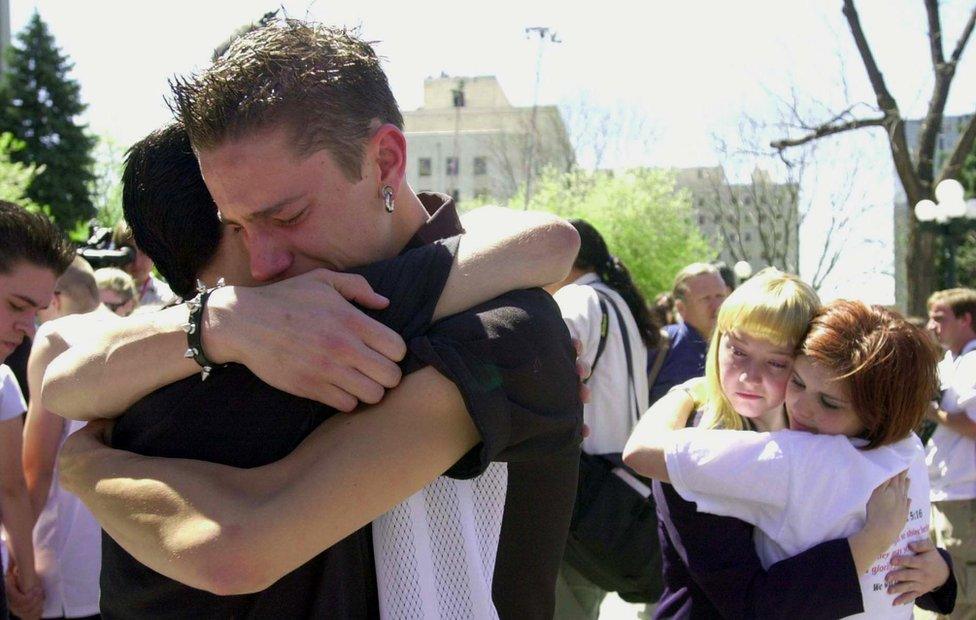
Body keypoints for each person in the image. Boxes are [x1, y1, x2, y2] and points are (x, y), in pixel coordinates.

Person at [49, 77, 582, 619]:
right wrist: (221, 322)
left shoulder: (479, 324)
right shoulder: (199, 366)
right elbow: (63, 383)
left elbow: (234, 547)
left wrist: (84, 462)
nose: (267, 267)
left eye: (287, 218)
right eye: (241, 226)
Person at [623, 270, 956, 618]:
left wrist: (937, 571)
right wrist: (870, 544)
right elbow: (747, 603)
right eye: (737, 349)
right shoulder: (700, 434)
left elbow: (873, 524)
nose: (750, 377)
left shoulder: (834, 434)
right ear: (717, 339)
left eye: (777, 363)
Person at [545, 219, 657, 617]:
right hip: (617, 489)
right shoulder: (615, 302)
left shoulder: (577, 301)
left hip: (583, 489)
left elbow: (539, 371)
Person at [24, 257, 111, 620]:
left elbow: (36, 468)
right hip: (126, 564)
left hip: (65, 565)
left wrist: (20, 559)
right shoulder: (138, 327)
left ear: (54, 299)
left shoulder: (55, 338)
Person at [0, 201, 74, 620]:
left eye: (35, 311)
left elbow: (12, 490)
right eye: (16, 306)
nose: (29, 328)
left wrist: (26, 588)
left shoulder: (3, 384)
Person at [924, 288, 976, 618]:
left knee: (962, 594)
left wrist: (931, 413)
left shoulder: (973, 362)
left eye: (940, 318)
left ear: (966, 319)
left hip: (964, 493)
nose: (932, 326)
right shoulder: (950, 361)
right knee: (944, 590)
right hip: (944, 490)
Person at [648, 263, 728, 405]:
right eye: (705, 299)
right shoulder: (662, 344)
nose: (716, 306)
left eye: (720, 296)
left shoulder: (740, 348)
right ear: (681, 307)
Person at [110, 221, 174, 308]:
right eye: (129, 253)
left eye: (144, 251)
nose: (137, 262)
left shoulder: (168, 298)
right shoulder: (102, 294)